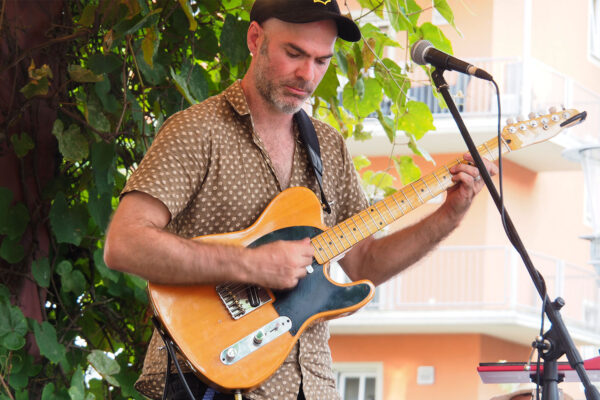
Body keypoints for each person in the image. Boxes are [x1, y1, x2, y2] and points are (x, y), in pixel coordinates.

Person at [103, 0, 498, 399]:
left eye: (321, 61)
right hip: (207, 382)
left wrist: (450, 213)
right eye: (294, 53)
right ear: (255, 38)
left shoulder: (328, 146)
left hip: (312, 388)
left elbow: (366, 263)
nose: (307, 74)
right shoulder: (196, 130)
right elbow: (125, 243)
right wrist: (249, 263)